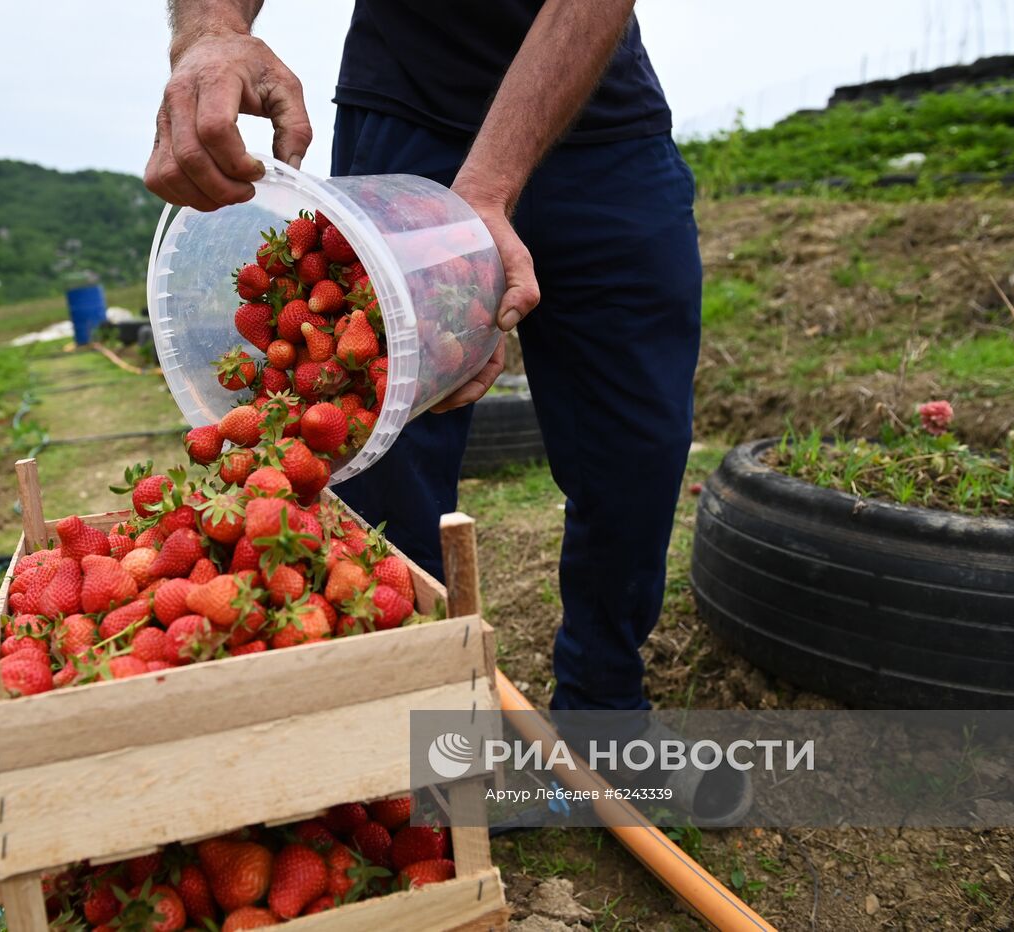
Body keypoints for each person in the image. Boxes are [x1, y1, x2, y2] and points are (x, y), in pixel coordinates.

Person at [144, 0, 701, 718]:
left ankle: (603, 705)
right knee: (378, 444)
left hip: (599, 115)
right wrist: (212, 33)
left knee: (637, 447)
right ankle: (414, 715)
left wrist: (483, 196)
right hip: (405, 113)